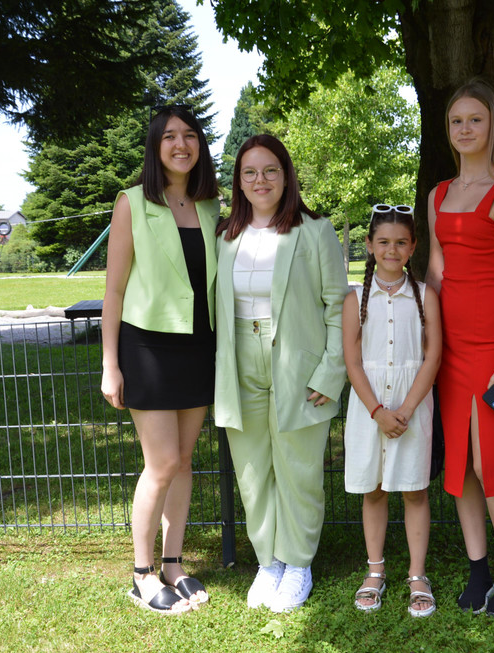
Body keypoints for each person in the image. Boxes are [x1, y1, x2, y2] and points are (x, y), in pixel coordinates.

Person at [214, 134, 348, 613]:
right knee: (252, 471)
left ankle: (298, 563)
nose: (261, 180)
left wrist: (330, 373)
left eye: (270, 170)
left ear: (286, 175)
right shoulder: (225, 236)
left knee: (299, 469)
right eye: (250, 172)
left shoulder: (315, 231)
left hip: (298, 363)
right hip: (239, 361)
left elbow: (338, 306)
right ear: (238, 182)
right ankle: (268, 562)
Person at [100, 104, 219, 615]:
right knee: (163, 462)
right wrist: (110, 363)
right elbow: (113, 290)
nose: (181, 144)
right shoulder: (131, 203)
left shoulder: (210, 206)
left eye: (190, 135)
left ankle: (173, 563)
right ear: (155, 146)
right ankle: (141, 574)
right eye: (170, 136)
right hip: (147, 347)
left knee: (185, 461)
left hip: (198, 346)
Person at [425, 79, 494, 618]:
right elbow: (436, 273)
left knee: (490, 462)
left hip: (491, 351)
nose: (464, 129)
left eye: (475, 119)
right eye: (456, 121)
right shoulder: (438, 195)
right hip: (448, 352)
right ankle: (479, 571)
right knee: (459, 466)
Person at [342, 204, 442, 617]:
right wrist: (378, 411)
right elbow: (352, 361)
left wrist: (406, 408)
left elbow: (432, 357)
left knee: (415, 490)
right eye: (383, 242)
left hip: (412, 406)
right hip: (370, 409)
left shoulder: (425, 296)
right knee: (375, 489)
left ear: (413, 246)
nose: (391, 250)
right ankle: (375, 570)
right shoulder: (354, 299)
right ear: (369, 245)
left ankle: (417, 574)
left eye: (401, 242)